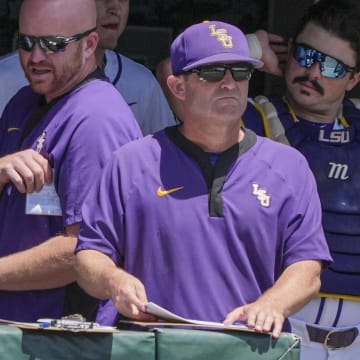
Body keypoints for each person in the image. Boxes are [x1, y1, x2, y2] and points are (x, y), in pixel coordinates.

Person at [74, 20, 332, 338]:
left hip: (247, 347)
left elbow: (308, 267)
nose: (229, 83)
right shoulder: (130, 163)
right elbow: (89, 257)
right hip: (151, 345)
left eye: (240, 71)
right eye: (211, 72)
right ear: (177, 87)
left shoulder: (288, 166)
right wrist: (114, 281)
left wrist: (272, 304)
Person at [0, 0, 142, 322]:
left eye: (53, 45)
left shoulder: (96, 118)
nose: (36, 57)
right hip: (15, 326)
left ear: (90, 44)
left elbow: (83, 250)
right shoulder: (24, 102)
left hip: (59, 336)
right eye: (26, 43)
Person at [243, 0, 360, 358]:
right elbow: (175, 77)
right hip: (277, 325)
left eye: (332, 66)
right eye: (307, 55)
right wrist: (246, 48)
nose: (314, 72)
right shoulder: (249, 116)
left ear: (354, 78)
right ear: (290, 50)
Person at [0, 0, 175, 135]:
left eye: (123, 0)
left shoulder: (142, 84)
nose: (115, 8)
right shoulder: (6, 78)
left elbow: (165, 165)